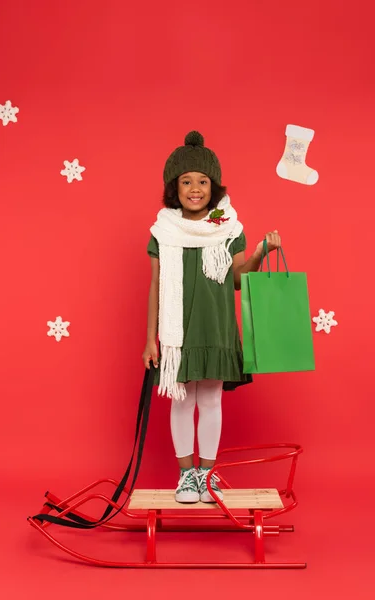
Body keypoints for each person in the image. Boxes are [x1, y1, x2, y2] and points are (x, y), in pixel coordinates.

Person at [142, 131, 281, 504]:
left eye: (202, 181)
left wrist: (259, 254)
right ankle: (186, 476)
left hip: (217, 326)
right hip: (178, 333)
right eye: (186, 181)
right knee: (183, 400)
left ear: (214, 186)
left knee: (212, 401)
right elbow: (156, 286)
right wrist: (149, 339)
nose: (195, 189)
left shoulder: (229, 228)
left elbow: (237, 278)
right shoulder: (163, 232)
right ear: (175, 188)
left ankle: (207, 474)